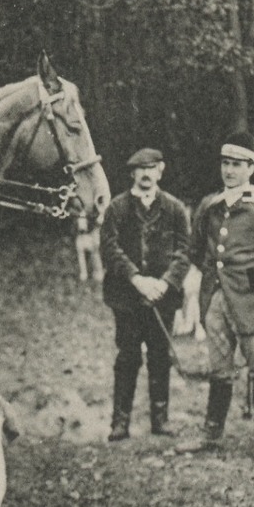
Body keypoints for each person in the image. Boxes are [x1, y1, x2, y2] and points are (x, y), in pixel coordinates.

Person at [182, 131, 254, 460]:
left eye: (237, 165)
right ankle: (212, 432)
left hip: (250, 300)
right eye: (226, 164)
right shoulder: (210, 205)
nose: (229, 171)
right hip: (216, 299)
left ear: (251, 167)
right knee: (219, 367)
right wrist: (205, 287)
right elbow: (197, 249)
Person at [100, 147, 192, 440]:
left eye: (152, 168)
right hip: (126, 297)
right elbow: (110, 249)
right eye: (140, 169)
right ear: (132, 174)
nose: (146, 174)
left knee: (160, 355)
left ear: (160, 171)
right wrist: (137, 279)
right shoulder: (117, 208)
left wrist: (165, 283)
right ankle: (120, 421)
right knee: (127, 355)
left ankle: (160, 419)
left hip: (163, 297)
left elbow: (184, 250)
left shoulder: (175, 208)